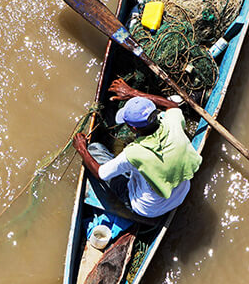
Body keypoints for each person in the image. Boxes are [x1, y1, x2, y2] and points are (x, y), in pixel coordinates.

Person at [72, 78, 202, 221]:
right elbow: (172, 105)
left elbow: (100, 173)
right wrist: (133, 93)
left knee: (94, 149)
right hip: (180, 195)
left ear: (133, 128)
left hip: (148, 209)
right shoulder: (173, 122)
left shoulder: (133, 153)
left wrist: (82, 148)